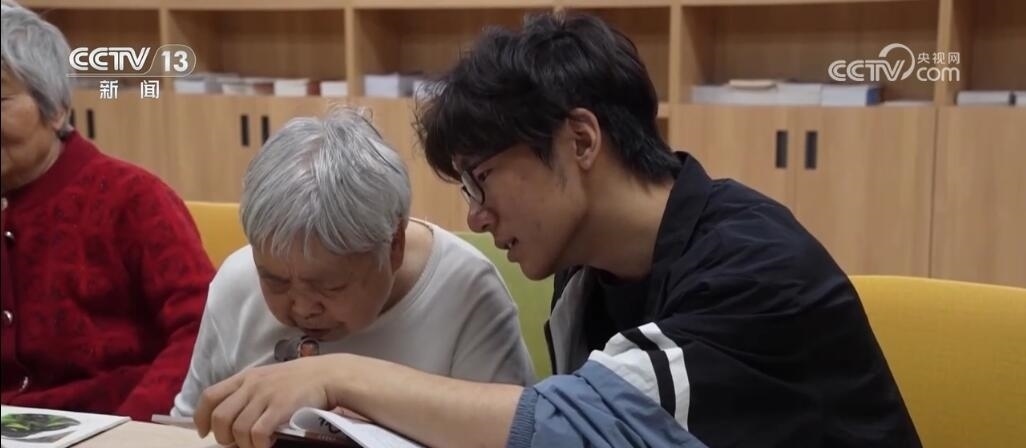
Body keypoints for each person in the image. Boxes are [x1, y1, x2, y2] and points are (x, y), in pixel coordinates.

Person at [190, 12, 921, 448]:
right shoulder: (588, 273)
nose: (474, 215)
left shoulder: (752, 266)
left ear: (580, 140)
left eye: (483, 177)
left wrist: (338, 372)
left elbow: (572, 429)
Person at [170, 109, 535, 418]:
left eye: (329, 286)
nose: (303, 308)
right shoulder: (238, 281)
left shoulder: (466, 294)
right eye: (276, 282)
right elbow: (186, 426)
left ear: (393, 245)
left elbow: (511, 434)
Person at [1, 1, 213, 421]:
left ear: (55, 108)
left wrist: (132, 429)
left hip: (110, 423)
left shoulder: (133, 199)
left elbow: (202, 329)